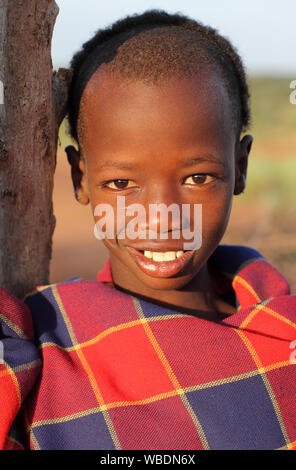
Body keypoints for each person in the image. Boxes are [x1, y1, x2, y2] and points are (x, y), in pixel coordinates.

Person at [0, 9, 295, 450]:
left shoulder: (283, 334)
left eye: (197, 178)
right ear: (80, 178)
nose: (161, 216)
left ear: (241, 166)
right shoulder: (40, 353)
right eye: (121, 184)